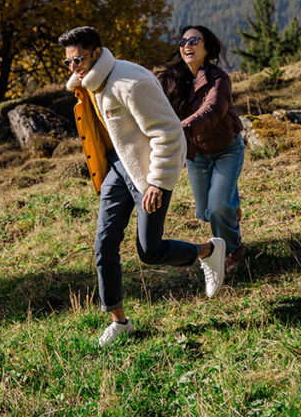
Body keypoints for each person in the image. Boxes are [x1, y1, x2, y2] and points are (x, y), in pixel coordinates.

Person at [59, 25, 226, 348]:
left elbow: (169, 133)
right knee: (104, 243)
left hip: (149, 173)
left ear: (96, 54)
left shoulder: (130, 83)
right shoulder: (90, 82)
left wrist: (158, 184)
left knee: (149, 251)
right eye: (67, 63)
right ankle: (119, 322)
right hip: (119, 167)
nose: (73, 68)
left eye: (77, 60)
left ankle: (208, 250)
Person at [156, 25, 246, 273]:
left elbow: (212, 111)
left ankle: (233, 249)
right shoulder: (171, 80)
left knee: (218, 209)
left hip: (227, 149)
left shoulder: (219, 79)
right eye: (182, 41)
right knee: (206, 212)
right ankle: (229, 206)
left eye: (194, 40)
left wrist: (177, 131)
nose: (187, 45)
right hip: (197, 155)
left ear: (207, 47)